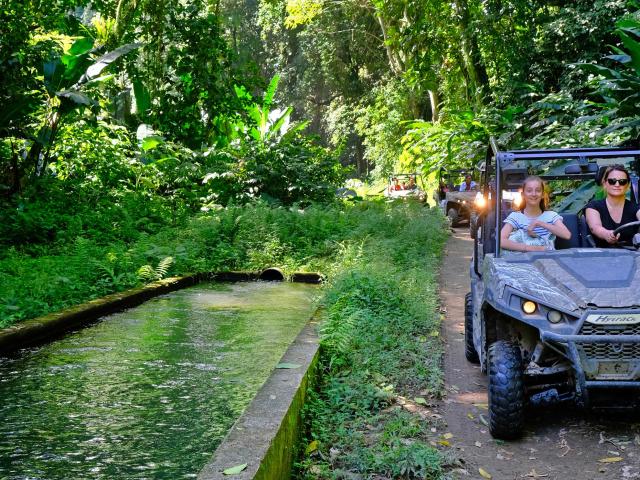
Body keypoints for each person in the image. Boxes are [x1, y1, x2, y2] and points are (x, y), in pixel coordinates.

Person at [500, 175, 571, 252]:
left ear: (543, 194)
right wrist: (529, 248)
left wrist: (539, 223)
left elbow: (566, 235)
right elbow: (501, 240)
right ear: (523, 195)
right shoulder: (515, 217)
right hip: (521, 260)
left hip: (547, 259)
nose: (534, 194)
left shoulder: (551, 216)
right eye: (529, 191)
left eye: (538, 190)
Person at [585, 164, 640, 248]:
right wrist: (607, 234)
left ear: (627, 185)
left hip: (632, 256)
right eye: (612, 181)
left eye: (622, 181)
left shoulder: (636, 208)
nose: (617, 184)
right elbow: (595, 227)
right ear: (605, 184)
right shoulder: (593, 206)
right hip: (602, 256)